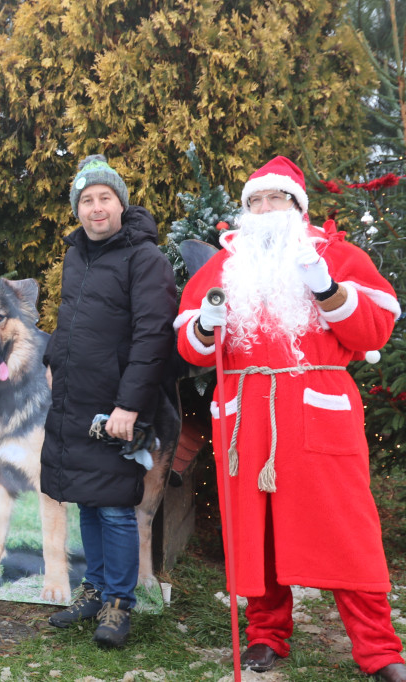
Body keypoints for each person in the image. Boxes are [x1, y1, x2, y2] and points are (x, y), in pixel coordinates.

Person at [175, 156, 406, 681]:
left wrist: (327, 289)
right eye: (253, 201)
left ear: (297, 207)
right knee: (257, 531)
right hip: (245, 417)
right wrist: (206, 325)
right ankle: (265, 635)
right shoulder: (226, 266)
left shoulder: (339, 257)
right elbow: (192, 348)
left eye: (273, 198)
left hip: (317, 411)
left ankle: (380, 650)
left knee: (349, 529)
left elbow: (372, 334)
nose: (262, 209)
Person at [41, 155, 176, 648]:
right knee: (89, 501)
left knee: (116, 504)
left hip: (117, 408)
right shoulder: (76, 254)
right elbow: (69, 318)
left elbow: (153, 337)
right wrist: (53, 358)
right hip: (77, 398)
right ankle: (95, 589)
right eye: (86, 200)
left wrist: (129, 407)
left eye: (105, 198)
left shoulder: (146, 259)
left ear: (120, 202)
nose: (96, 209)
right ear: (77, 209)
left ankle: (120, 603)